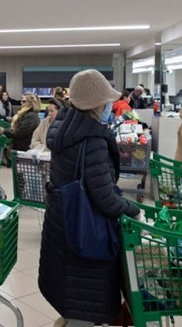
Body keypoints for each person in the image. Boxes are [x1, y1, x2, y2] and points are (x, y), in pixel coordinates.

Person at [39, 69, 141, 327]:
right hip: (85, 232)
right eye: (107, 101)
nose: (111, 106)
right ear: (96, 104)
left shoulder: (64, 128)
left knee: (69, 296)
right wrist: (134, 211)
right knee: (85, 302)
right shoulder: (92, 138)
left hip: (63, 225)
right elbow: (104, 198)